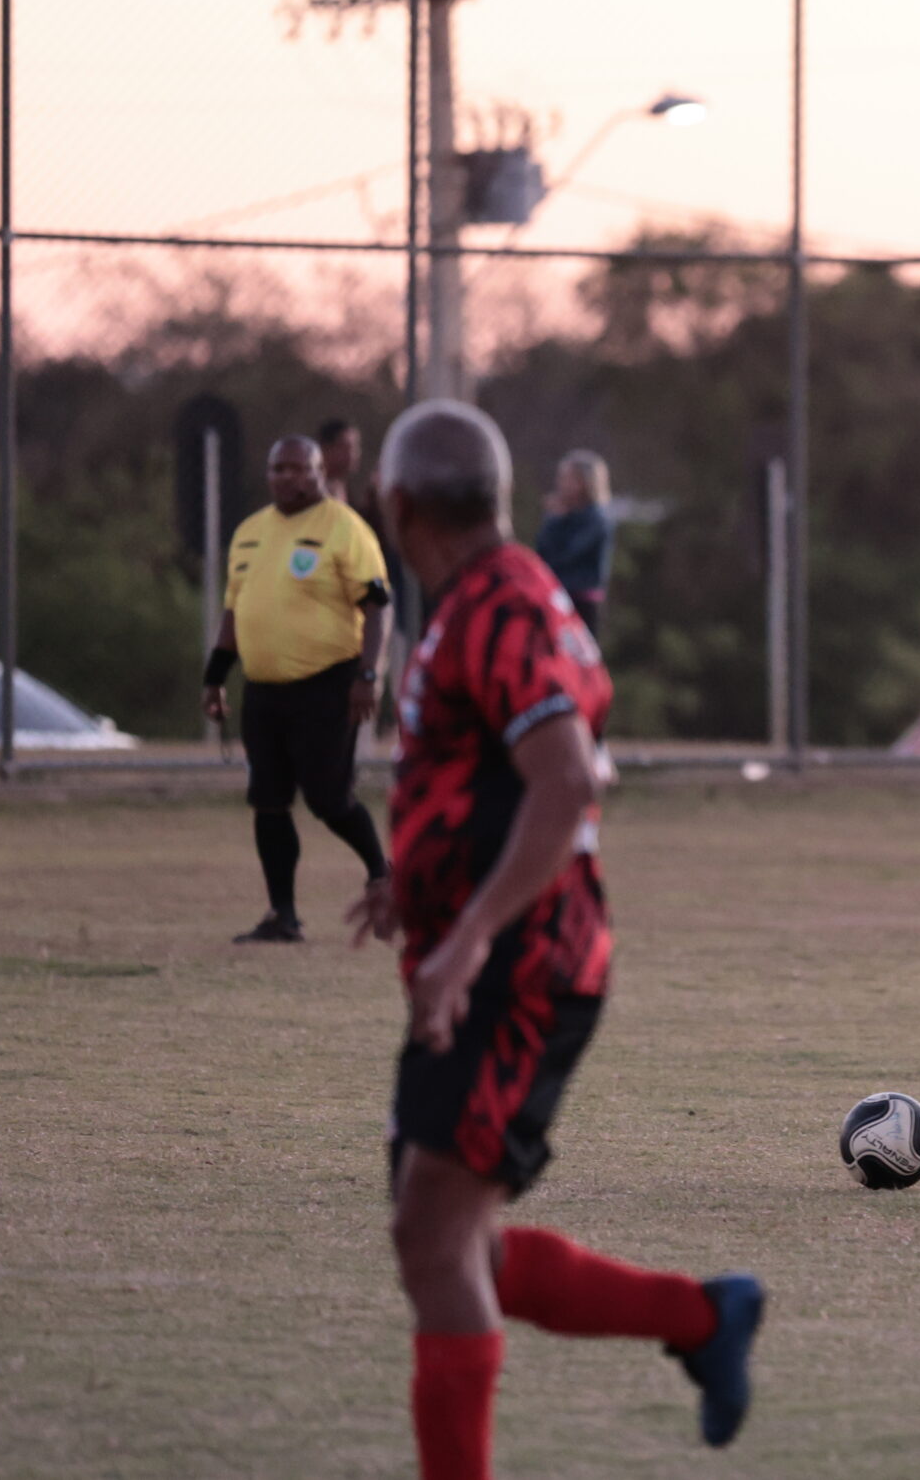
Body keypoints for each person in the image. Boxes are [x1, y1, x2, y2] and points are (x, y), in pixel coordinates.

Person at [347, 400, 763, 1480]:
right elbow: (503, 775)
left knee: (434, 1241)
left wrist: (467, 938)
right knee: (444, 1241)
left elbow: (569, 777)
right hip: (490, 958)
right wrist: (415, 879)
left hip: (518, 970)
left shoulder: (499, 605)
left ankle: (706, 1320)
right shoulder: (486, 601)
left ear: (396, 507)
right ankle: (705, 1318)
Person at [202, 435, 392, 944]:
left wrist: (368, 674)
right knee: (267, 799)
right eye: (277, 468)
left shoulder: (344, 527)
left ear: (317, 472)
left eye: (297, 468)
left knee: (329, 798)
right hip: (264, 690)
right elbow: (234, 611)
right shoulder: (249, 533)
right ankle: (282, 915)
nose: (286, 477)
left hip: (328, 684)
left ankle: (383, 872)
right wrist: (216, 676)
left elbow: (378, 605)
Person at [533, 449, 615, 635]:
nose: (560, 484)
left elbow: (566, 555)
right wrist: (553, 520)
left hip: (581, 601)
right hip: (556, 597)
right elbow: (542, 554)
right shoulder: (561, 515)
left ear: (584, 482)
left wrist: (558, 520)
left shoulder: (597, 518)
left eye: (567, 478)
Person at [319, 417, 366, 506]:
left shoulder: (350, 492)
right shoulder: (313, 494)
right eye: (346, 448)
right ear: (326, 449)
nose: (353, 454)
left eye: (355, 447)